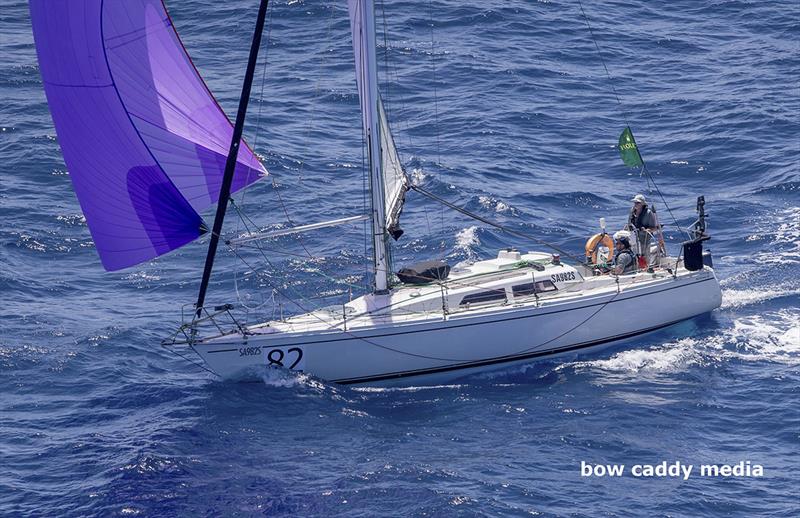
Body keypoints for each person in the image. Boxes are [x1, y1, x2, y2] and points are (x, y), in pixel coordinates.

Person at [627, 194, 659, 265]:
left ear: (642, 204)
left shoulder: (648, 213)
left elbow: (654, 228)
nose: (636, 204)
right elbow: (629, 224)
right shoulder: (632, 211)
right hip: (633, 238)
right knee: (634, 256)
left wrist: (646, 230)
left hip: (644, 239)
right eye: (635, 202)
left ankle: (646, 268)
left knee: (644, 258)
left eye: (638, 203)